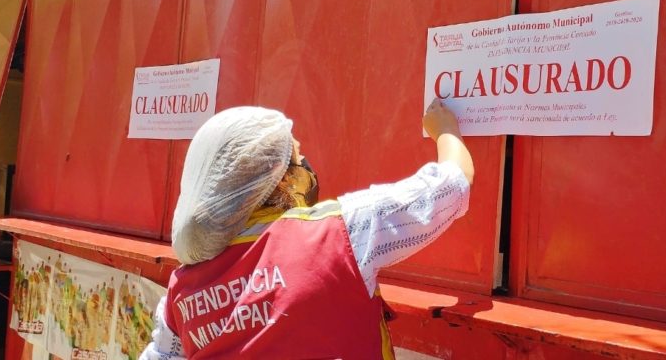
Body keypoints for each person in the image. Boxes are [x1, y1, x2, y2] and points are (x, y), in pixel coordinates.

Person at [140, 99, 474, 359]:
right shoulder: (339, 233)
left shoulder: (181, 292)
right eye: (298, 158)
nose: (306, 166)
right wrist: (444, 129)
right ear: (279, 178)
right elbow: (450, 188)